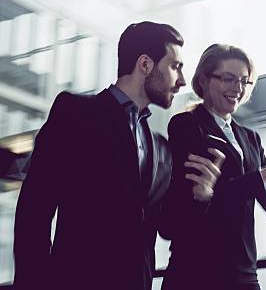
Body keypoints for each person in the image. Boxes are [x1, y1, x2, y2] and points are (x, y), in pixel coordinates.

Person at [13, 22, 224, 290]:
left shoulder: (160, 148)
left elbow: (167, 228)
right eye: (175, 67)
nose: (181, 81)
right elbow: (35, 209)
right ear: (145, 64)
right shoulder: (76, 112)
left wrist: (200, 196)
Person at [161, 44, 266, 290]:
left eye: (244, 82)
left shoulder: (250, 139)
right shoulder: (186, 126)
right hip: (196, 272)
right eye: (228, 79)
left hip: (243, 275)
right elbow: (210, 196)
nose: (237, 88)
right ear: (204, 79)